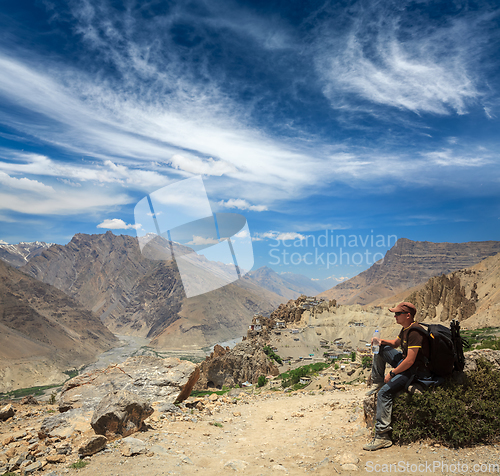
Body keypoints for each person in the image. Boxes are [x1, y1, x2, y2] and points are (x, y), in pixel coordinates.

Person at [363, 302, 431, 451]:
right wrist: (380, 341)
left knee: (384, 394)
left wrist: (393, 373)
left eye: (397, 314)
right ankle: (377, 381)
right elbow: (394, 343)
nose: (395, 316)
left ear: (408, 315)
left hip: (414, 371)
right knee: (380, 349)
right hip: (407, 364)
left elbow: (410, 361)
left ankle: (382, 436)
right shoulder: (406, 329)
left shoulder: (415, 332)